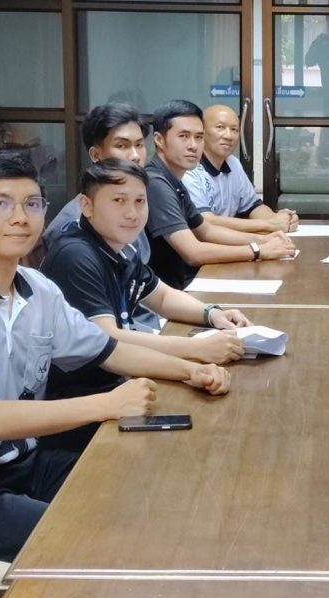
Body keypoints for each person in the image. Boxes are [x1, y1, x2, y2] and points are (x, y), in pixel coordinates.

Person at [0, 153, 229, 562]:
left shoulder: (37, 288)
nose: (21, 217)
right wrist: (108, 404)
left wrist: (192, 371)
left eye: (32, 203)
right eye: (1, 204)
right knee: (98, 542)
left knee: (150, 491)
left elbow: (110, 351)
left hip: (27, 461)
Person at [40, 159, 250, 452]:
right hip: (81, 407)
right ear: (87, 206)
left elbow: (162, 297)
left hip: (122, 384)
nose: (132, 213)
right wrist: (198, 350)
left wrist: (212, 314)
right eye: (118, 201)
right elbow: (109, 339)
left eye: (140, 201)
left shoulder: (118, 247)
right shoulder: (75, 255)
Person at [145, 100, 296, 289]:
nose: (193, 145)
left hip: (183, 282)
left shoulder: (174, 179)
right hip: (167, 291)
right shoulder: (156, 183)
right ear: (159, 140)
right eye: (183, 136)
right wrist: (258, 249)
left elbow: (207, 230)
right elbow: (193, 253)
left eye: (198, 137)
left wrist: (266, 240)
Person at [42, 102, 159, 330]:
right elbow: (105, 335)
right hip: (118, 334)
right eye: (122, 146)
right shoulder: (74, 228)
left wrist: (210, 313)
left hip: (138, 323)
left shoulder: (129, 207)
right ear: (96, 155)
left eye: (139, 145)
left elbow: (153, 291)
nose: (135, 156)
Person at [181, 103, 299, 234]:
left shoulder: (233, 163)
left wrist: (280, 219)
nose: (229, 136)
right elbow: (205, 221)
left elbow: (253, 207)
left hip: (227, 240)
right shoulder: (188, 168)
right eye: (220, 127)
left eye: (234, 129)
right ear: (201, 132)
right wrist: (269, 224)